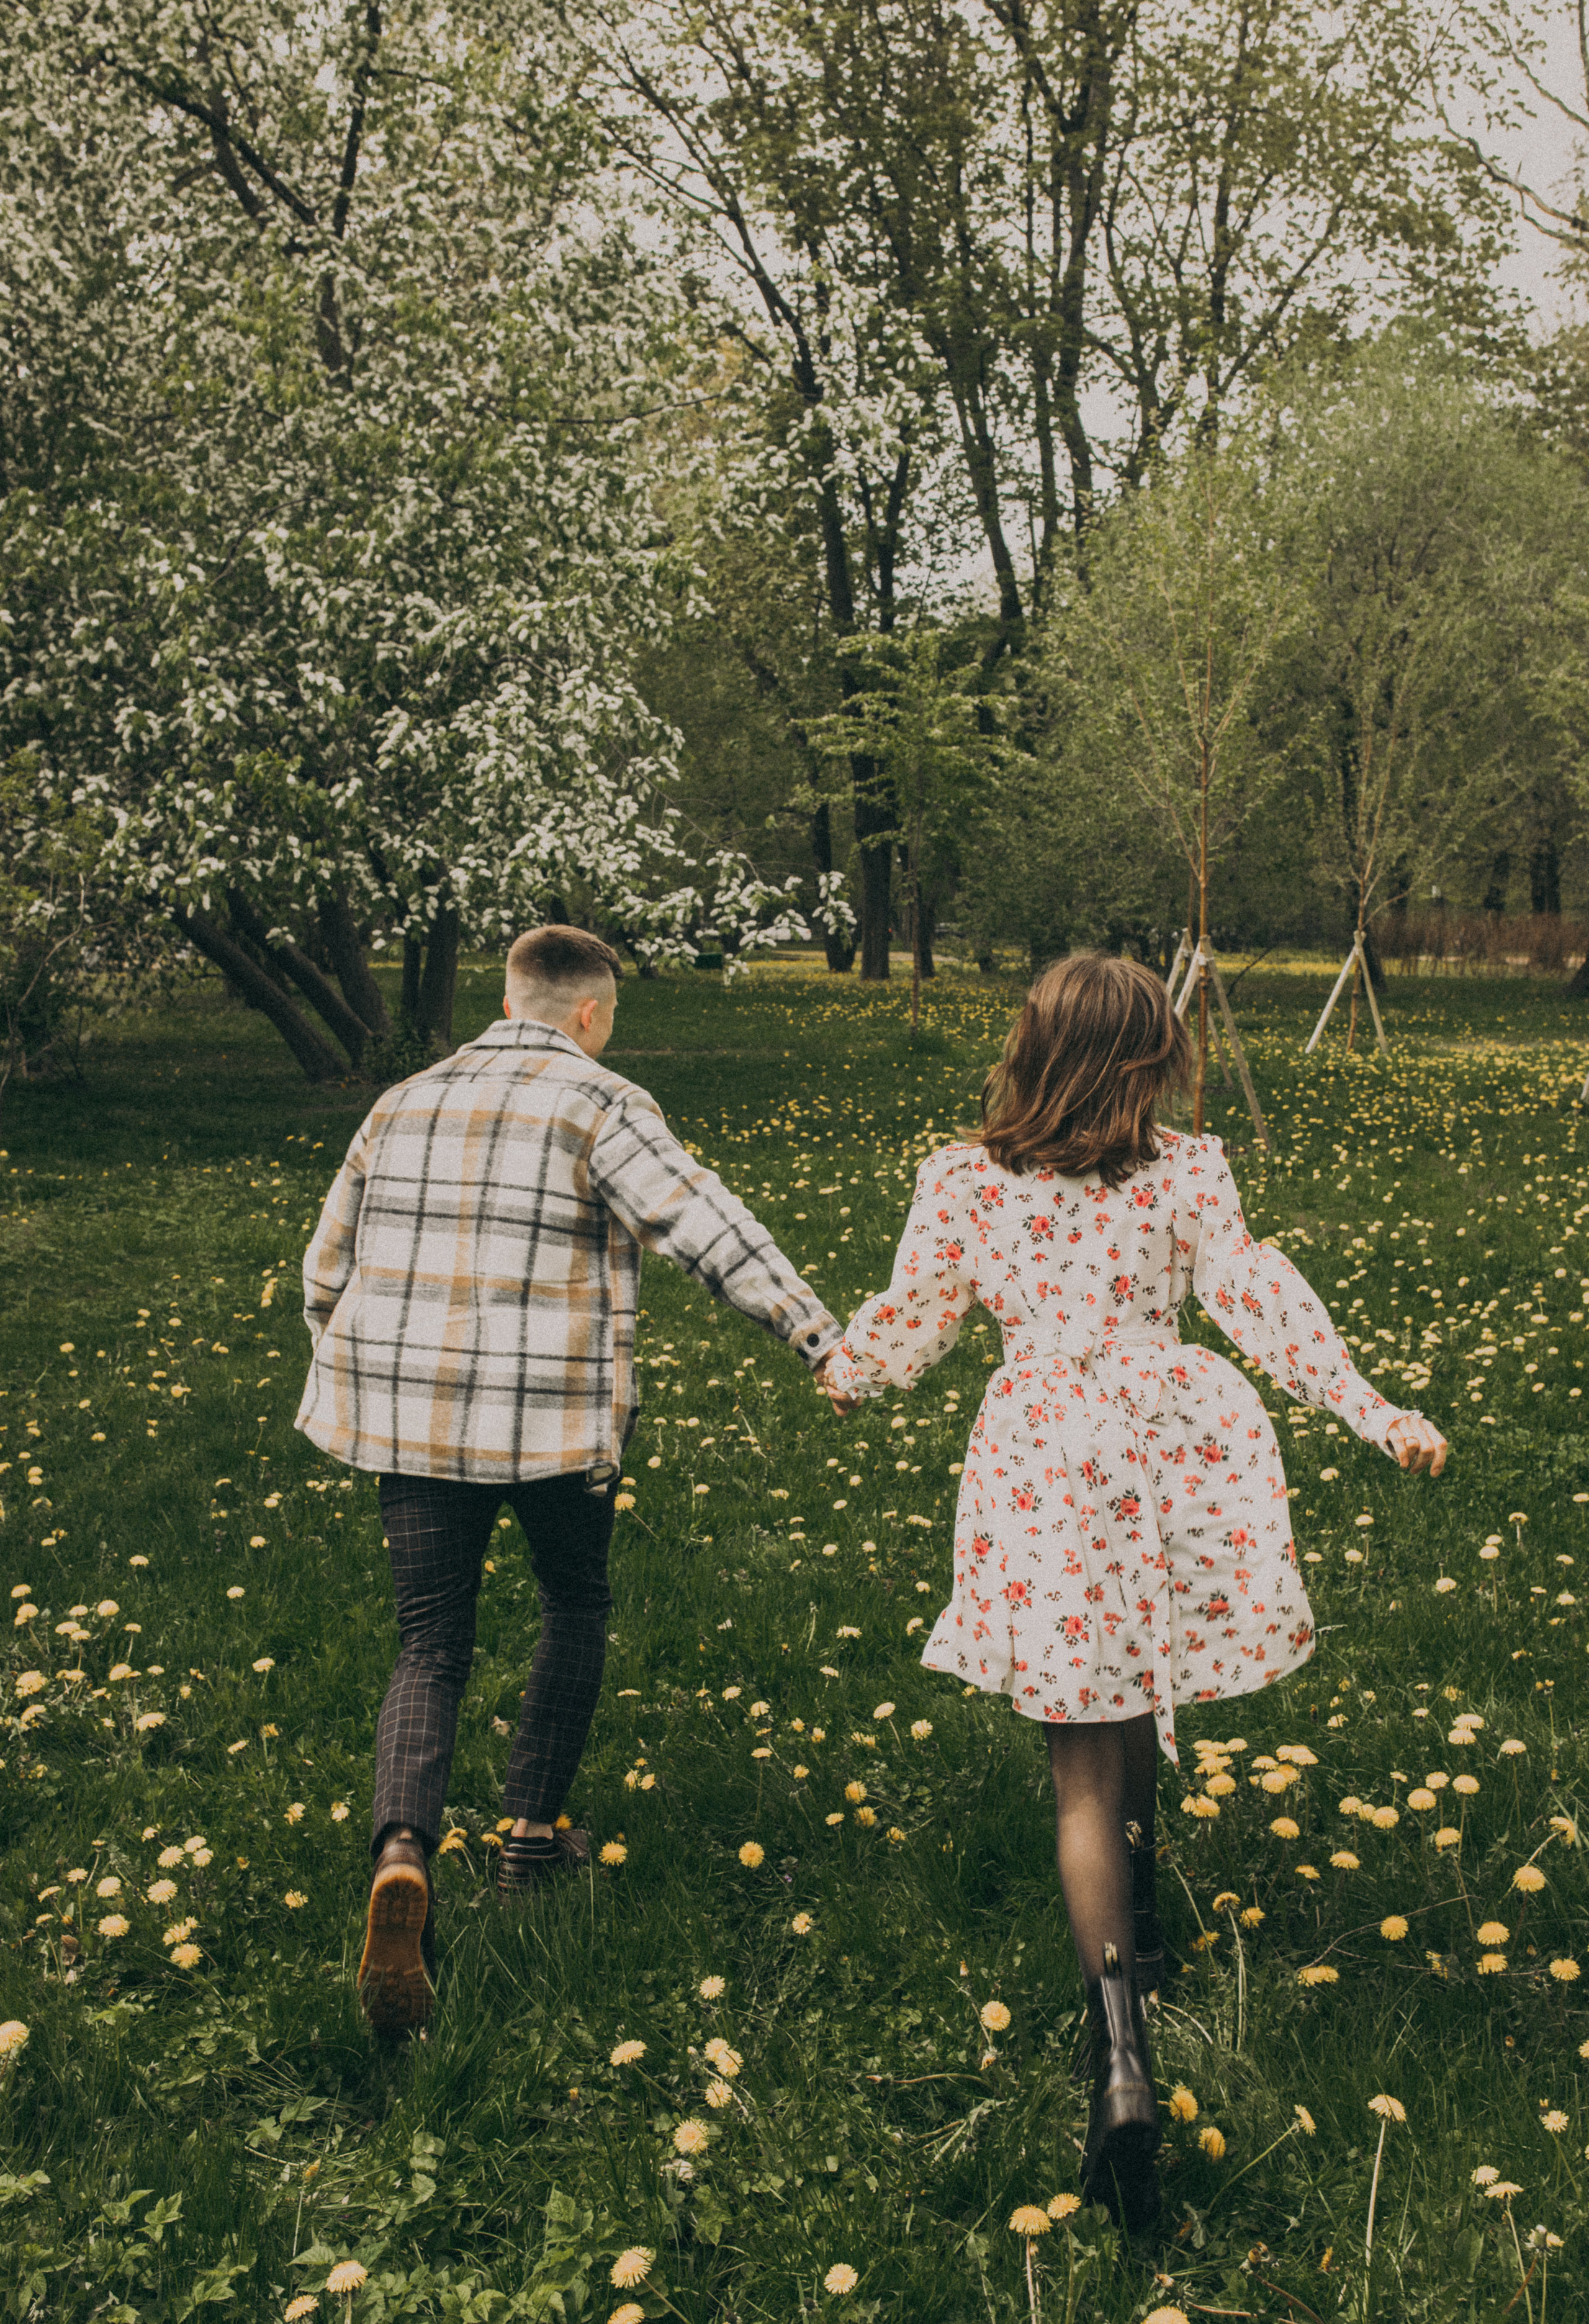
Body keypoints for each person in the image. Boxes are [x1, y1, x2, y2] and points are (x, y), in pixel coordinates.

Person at [819, 953, 1446, 2228]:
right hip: (1169, 1440)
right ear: (1141, 1060)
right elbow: (1257, 1299)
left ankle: (1118, 2051)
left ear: (1031, 1050)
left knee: (1082, 1755)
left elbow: (917, 1318)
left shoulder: (961, 1177)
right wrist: (1369, 1410)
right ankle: (1144, 1937)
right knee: (1138, 1674)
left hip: (1043, 1450)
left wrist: (849, 1366)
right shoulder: (1186, 1169)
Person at [297, 924, 843, 2036]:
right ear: (589, 1013)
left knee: (430, 1640)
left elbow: (328, 1260)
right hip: (552, 1427)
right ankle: (530, 1840)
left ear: (509, 998)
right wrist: (821, 1339)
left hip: (411, 1418)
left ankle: (402, 1851)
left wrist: (348, 1360)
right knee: (574, 1604)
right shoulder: (600, 1101)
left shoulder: (401, 1100)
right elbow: (707, 1229)